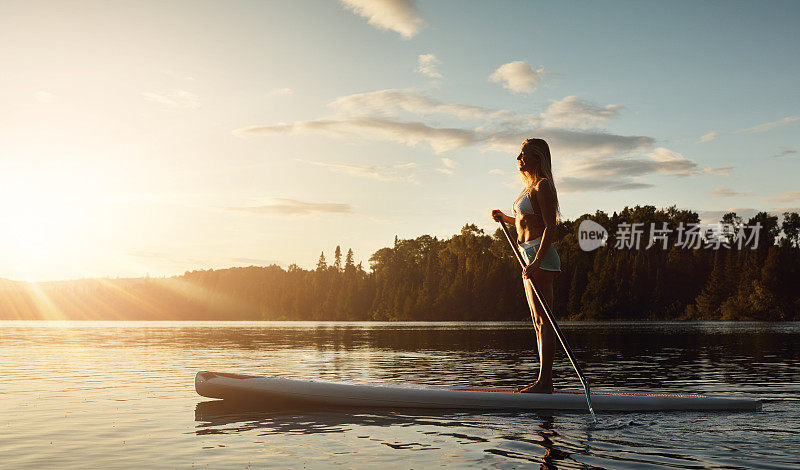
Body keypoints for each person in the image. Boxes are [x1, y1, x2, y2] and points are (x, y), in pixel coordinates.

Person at [492, 138, 562, 393]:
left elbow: (550, 228)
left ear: (537, 158)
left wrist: (537, 261)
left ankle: (545, 382)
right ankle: (543, 380)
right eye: (519, 155)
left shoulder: (543, 186)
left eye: (523, 155)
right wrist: (504, 218)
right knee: (536, 320)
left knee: (546, 320)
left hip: (539, 256)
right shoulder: (528, 187)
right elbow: (522, 222)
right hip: (527, 255)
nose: (518, 159)